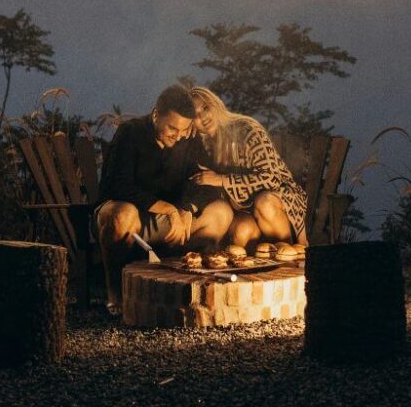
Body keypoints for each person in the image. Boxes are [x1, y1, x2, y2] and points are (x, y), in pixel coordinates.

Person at [96, 85, 232, 314]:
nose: (178, 136)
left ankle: (176, 285)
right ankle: (116, 296)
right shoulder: (131, 133)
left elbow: (205, 182)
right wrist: (169, 210)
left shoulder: (187, 138)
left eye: (184, 130)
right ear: (156, 114)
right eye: (172, 128)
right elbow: (120, 187)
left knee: (222, 212)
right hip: (129, 219)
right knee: (123, 214)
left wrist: (187, 209)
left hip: (169, 226)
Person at [187, 86, 309, 248]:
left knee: (264, 204)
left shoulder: (247, 129)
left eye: (206, 108)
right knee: (242, 231)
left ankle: (291, 257)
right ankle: (255, 270)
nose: (202, 117)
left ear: (216, 105)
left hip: (279, 198)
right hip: (243, 209)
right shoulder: (203, 145)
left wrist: (222, 180)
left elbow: (271, 178)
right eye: (194, 115)